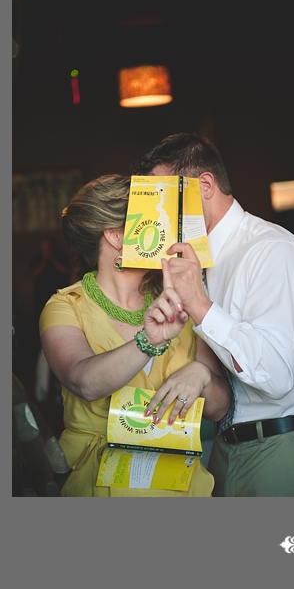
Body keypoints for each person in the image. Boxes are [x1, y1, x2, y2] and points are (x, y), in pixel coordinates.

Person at [130, 134, 294, 497]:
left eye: (163, 194)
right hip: (227, 448)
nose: (157, 211)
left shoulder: (273, 252)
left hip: (284, 447)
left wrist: (200, 305)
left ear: (205, 186)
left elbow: (277, 376)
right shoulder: (198, 259)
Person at [39, 174, 231, 497]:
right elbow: (84, 382)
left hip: (180, 488)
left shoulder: (179, 301)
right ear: (115, 236)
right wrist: (149, 341)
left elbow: (220, 408)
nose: (168, 230)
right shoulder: (64, 307)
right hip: (100, 487)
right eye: (155, 218)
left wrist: (201, 376)